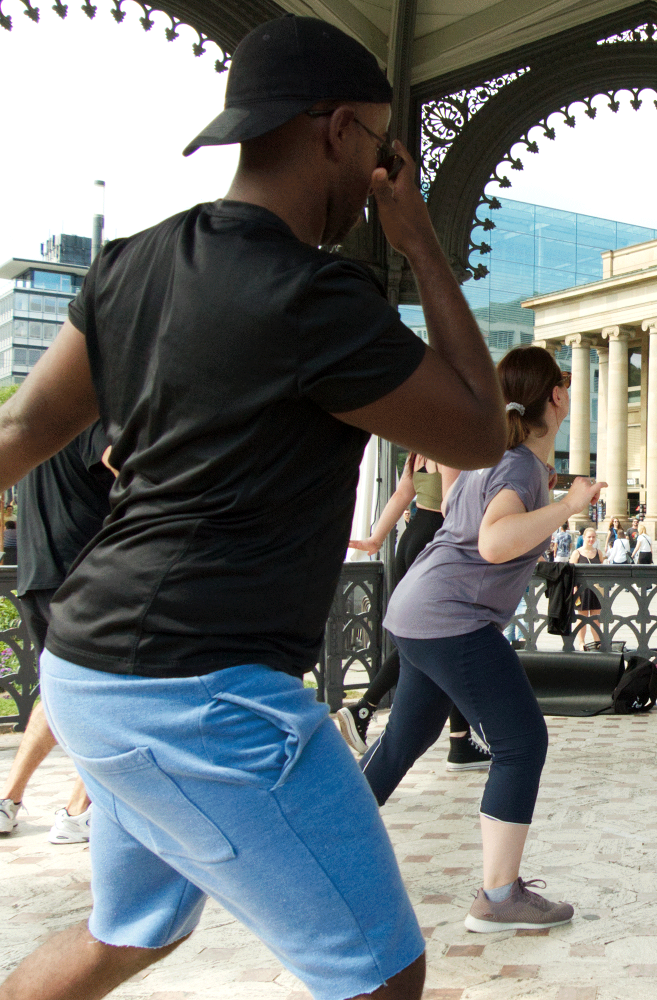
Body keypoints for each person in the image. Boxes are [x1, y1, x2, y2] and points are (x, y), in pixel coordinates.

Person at [0, 17, 511, 999]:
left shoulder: (132, 264)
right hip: (201, 692)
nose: (377, 175)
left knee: (126, 934)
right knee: (381, 976)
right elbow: (481, 432)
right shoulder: (315, 296)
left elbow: (23, 427)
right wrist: (421, 244)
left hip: (85, 670)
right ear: (335, 129)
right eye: (379, 146)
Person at [361, 346, 602, 935]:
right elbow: (493, 543)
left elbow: (453, 515)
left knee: (405, 738)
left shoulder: (492, 457)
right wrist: (568, 505)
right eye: (565, 382)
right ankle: (498, 897)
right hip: (453, 617)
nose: (570, 391)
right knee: (522, 741)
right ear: (556, 398)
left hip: (419, 609)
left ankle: (324, 847)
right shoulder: (519, 465)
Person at [0, 424, 113, 845]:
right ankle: (77, 813)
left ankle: (8, 801)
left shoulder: (39, 429)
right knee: (106, 692)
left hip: (35, 574)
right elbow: (123, 466)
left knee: (60, 689)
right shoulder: (89, 417)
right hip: (84, 572)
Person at [341, 454, 487, 771]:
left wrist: (376, 537)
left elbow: (401, 495)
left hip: (411, 539)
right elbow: (451, 504)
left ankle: (461, 742)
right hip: (435, 539)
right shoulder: (449, 446)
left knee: (437, 637)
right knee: (436, 636)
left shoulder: (418, 451)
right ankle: (364, 707)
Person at [569, 526, 604, 646]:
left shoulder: (598, 552)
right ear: (584, 538)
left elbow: (602, 569)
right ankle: (581, 642)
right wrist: (574, 590)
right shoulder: (577, 553)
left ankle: (597, 642)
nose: (591, 539)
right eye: (589, 537)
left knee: (596, 617)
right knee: (582, 618)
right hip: (581, 589)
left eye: (593, 537)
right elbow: (571, 573)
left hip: (595, 589)